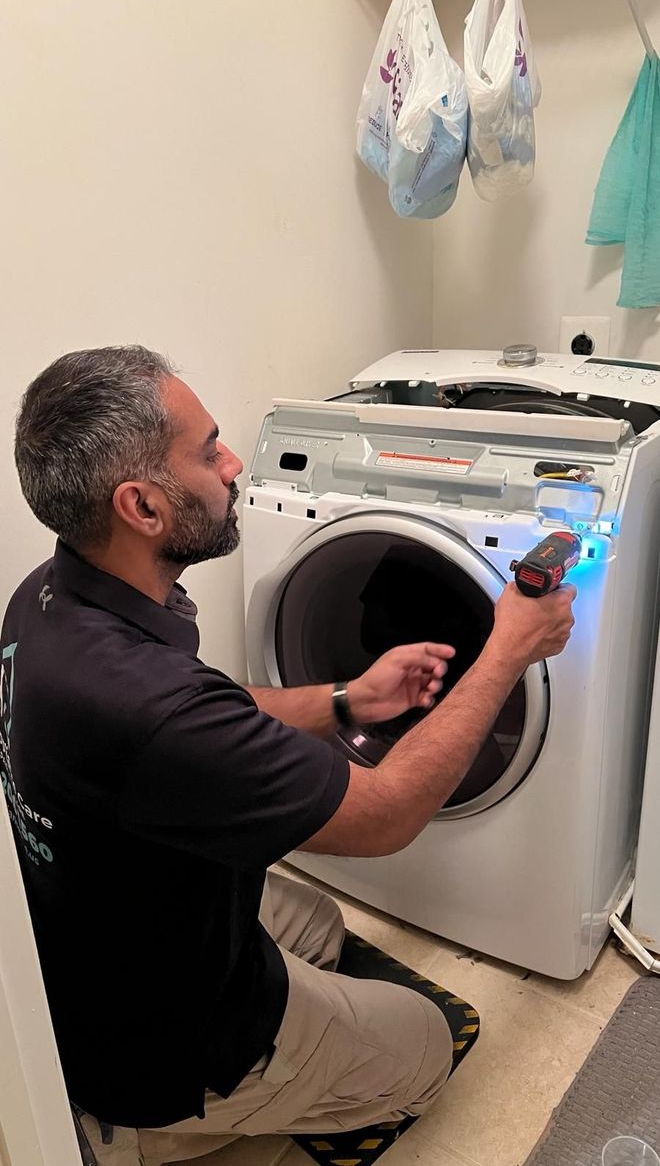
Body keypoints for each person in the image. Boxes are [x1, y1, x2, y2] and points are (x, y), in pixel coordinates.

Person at [0, 346, 576, 1166]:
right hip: (158, 1056)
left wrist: (350, 698)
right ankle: (147, 1134)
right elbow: (386, 814)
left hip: (102, 947)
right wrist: (508, 648)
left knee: (321, 922)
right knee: (423, 1047)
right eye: (208, 450)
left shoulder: (52, 598)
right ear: (143, 506)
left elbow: (209, 714)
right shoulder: (148, 709)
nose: (233, 463)